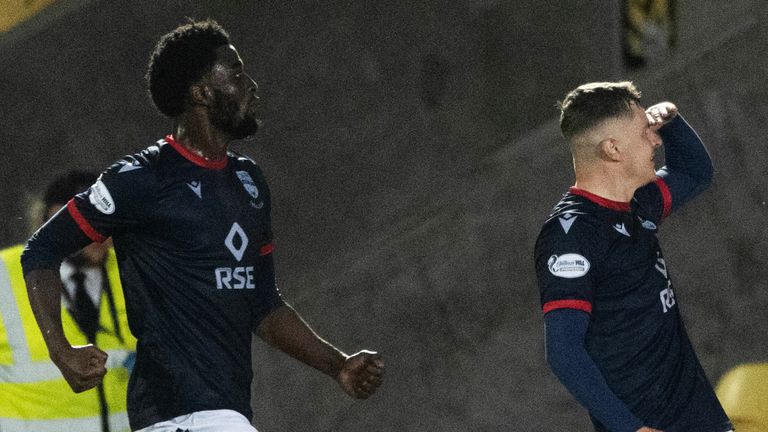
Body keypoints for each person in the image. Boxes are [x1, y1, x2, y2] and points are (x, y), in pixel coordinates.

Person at [21, 19, 384, 432]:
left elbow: (263, 304)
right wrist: (61, 350)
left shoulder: (249, 182)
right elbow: (41, 250)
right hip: (179, 416)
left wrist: (338, 366)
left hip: (221, 415)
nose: (251, 84)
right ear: (201, 92)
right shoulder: (143, 178)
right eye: (236, 72)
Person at [533, 81, 733, 432]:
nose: (656, 141)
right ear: (612, 148)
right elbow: (564, 352)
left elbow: (695, 173)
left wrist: (670, 119)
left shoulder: (637, 204)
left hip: (699, 416)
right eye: (645, 133)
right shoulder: (571, 234)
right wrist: (630, 428)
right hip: (649, 425)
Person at [1, 170, 135, 432]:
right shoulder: (5, 274)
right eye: (88, 222)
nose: (101, 234)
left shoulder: (130, 270)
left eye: (109, 220)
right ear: (51, 222)